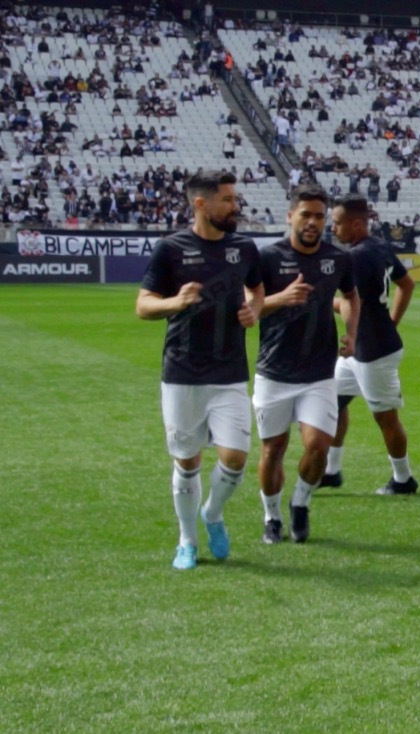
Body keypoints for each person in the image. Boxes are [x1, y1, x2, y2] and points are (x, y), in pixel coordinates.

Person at [136, 170, 264, 570]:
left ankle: (212, 513)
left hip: (229, 372)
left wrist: (254, 310)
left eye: (234, 199)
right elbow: (143, 305)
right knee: (188, 461)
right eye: (227, 200)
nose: (234, 206)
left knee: (236, 458)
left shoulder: (244, 249)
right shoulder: (170, 249)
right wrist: (175, 302)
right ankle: (187, 540)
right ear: (200, 204)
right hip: (183, 373)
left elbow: (256, 290)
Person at [254, 185, 359, 544]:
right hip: (274, 371)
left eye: (319, 216)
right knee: (273, 449)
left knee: (318, 446)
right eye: (306, 215)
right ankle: (271, 516)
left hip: (319, 373)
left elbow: (351, 296)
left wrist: (351, 333)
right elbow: (247, 310)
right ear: (290, 216)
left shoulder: (338, 258)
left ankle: (301, 502)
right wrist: (281, 298)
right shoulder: (267, 259)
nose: (313, 222)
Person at [321, 194, 419, 495]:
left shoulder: (357, 257)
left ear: (357, 223)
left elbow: (355, 305)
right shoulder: (379, 245)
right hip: (361, 347)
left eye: (337, 223)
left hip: (374, 351)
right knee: (334, 403)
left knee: (385, 417)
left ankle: (403, 480)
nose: (332, 229)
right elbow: (407, 284)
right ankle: (332, 471)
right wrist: (393, 320)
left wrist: (323, 300)